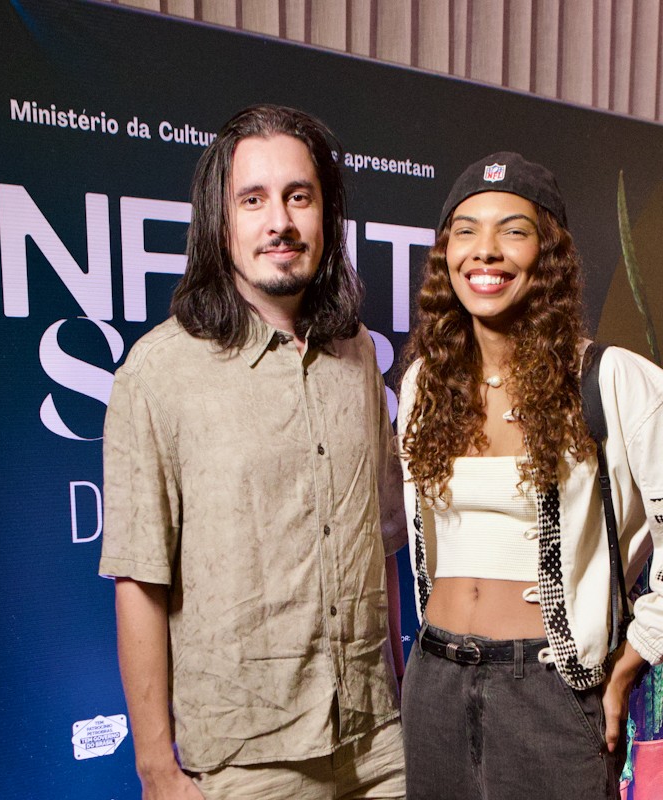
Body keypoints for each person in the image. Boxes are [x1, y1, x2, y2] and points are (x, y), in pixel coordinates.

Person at [396, 152, 663, 799]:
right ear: (446, 255)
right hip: (434, 684)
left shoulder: (611, 381)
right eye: (466, 230)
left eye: (513, 230)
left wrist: (627, 665)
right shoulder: (424, 384)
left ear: (550, 255)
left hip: (548, 692)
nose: (485, 250)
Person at [99, 104, 406, 800]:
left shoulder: (357, 353)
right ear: (221, 220)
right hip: (248, 762)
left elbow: (383, 538)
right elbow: (140, 579)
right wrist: (156, 769)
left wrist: (397, 685)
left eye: (299, 197)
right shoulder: (158, 373)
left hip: (379, 743)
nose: (280, 222)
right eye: (253, 200)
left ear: (325, 215)